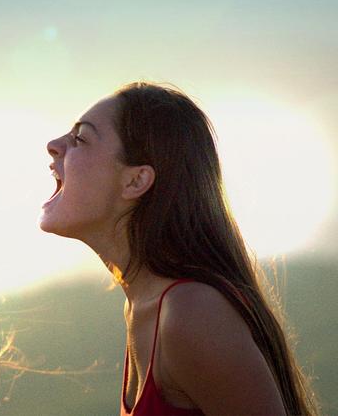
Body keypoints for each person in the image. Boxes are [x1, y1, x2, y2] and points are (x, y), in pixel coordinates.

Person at [40, 82, 319, 415]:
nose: (54, 145)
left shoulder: (191, 313)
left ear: (135, 181)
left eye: (80, 138)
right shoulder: (144, 306)